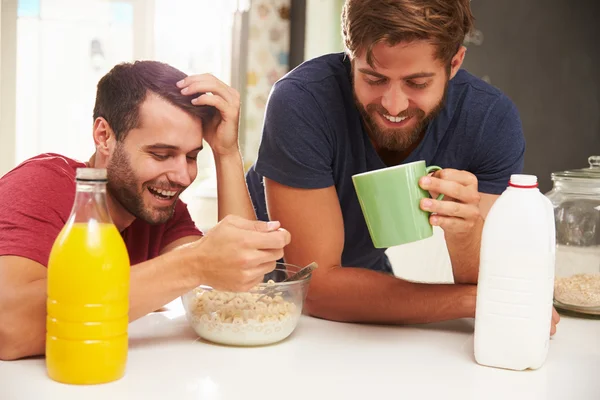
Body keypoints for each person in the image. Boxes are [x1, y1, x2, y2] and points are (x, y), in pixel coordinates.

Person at [246, 0, 559, 332]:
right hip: (258, 293)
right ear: (350, 55)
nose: (393, 105)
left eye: (417, 83)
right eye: (373, 78)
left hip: (362, 286)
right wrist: (472, 302)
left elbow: (487, 280)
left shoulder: (490, 121)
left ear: (454, 63)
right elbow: (314, 287)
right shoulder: (302, 100)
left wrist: (465, 235)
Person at [0, 61, 290, 360]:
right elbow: (8, 328)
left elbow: (238, 289)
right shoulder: (42, 186)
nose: (182, 176)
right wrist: (192, 264)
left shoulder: (160, 208)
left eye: (191, 156)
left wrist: (226, 152)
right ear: (104, 137)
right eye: (161, 154)